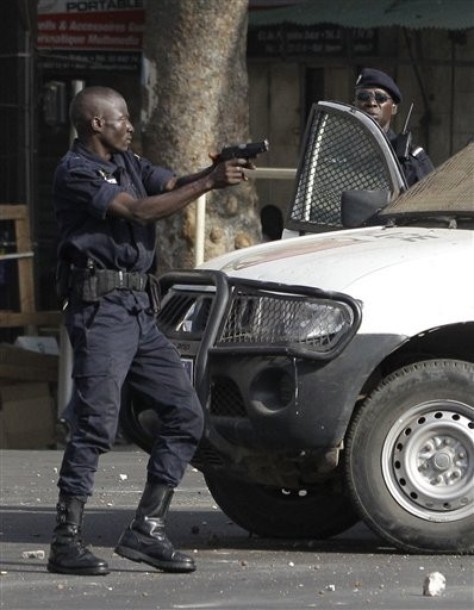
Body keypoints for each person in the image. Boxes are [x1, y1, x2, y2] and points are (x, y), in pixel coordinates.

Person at [47, 86, 252, 576]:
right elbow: (139, 211)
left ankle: (147, 530)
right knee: (96, 423)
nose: (130, 126)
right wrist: (207, 185)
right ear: (97, 124)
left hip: (139, 309)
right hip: (102, 311)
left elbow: (172, 183)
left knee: (185, 415)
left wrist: (216, 170)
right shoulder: (75, 170)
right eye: (122, 119)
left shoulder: (132, 163)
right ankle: (65, 541)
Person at [353, 68, 434, 186]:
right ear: (354, 104)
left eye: (380, 98)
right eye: (363, 96)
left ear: (393, 108)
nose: (371, 103)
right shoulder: (337, 151)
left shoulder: (410, 159)